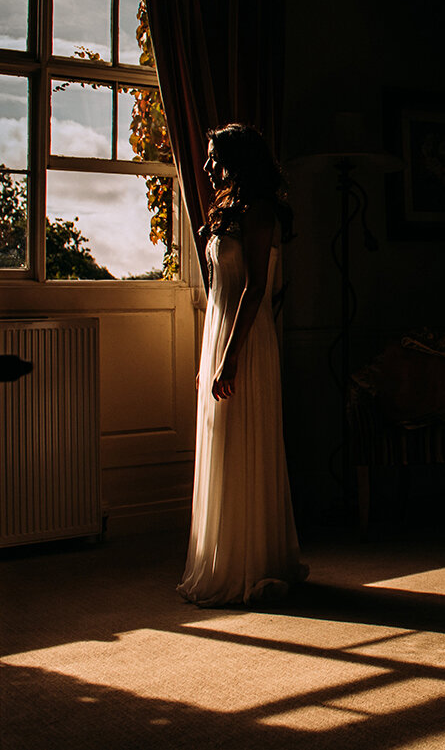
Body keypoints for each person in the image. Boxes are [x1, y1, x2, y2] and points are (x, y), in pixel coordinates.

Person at [178, 123, 307, 607]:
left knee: (244, 440)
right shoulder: (225, 211)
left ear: (238, 159)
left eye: (214, 157)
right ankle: (223, 555)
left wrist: (230, 357)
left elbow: (254, 288)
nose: (208, 167)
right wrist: (207, 356)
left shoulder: (260, 210)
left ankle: (254, 561)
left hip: (248, 343)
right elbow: (219, 294)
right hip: (223, 338)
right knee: (222, 444)